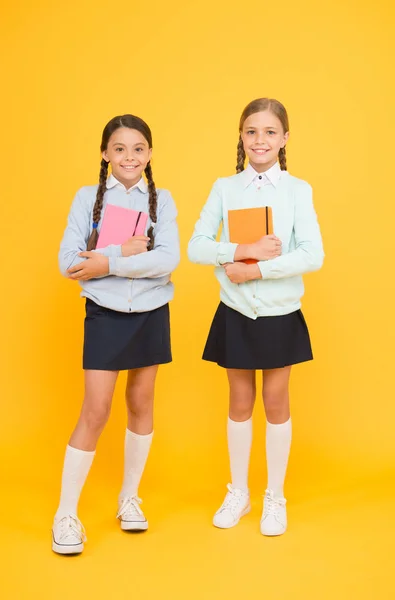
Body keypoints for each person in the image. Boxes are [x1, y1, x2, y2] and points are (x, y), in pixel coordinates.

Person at [188, 98, 324, 536]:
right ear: (241, 137)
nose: (259, 140)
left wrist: (258, 270)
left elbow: (313, 254)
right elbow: (196, 246)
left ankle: (274, 496)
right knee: (239, 402)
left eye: (269, 132)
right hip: (235, 311)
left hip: (280, 312)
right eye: (251, 131)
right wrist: (240, 251)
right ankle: (240, 492)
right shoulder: (225, 188)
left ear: (284, 139)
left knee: (277, 403)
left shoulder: (297, 190)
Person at [53, 114, 180, 554]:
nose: (130, 156)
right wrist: (117, 253)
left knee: (141, 403)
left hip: (151, 312)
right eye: (120, 148)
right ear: (106, 153)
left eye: (139, 148)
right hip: (105, 314)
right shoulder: (87, 198)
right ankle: (66, 514)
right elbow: (69, 262)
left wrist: (106, 264)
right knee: (96, 409)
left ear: (149, 153)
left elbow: (167, 259)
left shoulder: (161, 200)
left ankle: (129, 498)